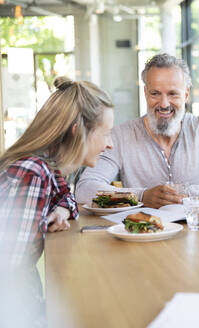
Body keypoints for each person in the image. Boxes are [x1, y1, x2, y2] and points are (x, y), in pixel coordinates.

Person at [0, 76, 114, 326]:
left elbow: (67, 197)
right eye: (105, 133)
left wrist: (61, 209)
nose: (110, 144)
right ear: (77, 133)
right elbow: (9, 276)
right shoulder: (33, 172)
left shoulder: (46, 167)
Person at [75, 53, 199, 208]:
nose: (164, 104)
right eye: (155, 93)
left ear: (186, 95)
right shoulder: (121, 135)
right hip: (142, 235)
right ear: (145, 93)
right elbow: (84, 188)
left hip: (194, 232)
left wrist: (186, 194)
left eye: (173, 94)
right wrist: (141, 195)